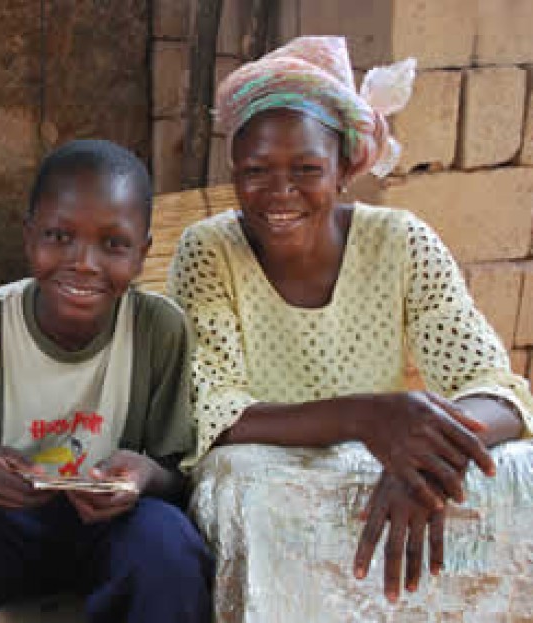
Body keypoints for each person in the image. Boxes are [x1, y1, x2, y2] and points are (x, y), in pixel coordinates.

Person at [169, 37, 533, 621]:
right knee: (239, 481)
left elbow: (500, 391)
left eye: (307, 169)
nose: (279, 192)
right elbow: (214, 415)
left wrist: (426, 459)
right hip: (277, 477)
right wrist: (370, 416)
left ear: (344, 169)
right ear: (234, 172)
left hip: (389, 469)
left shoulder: (401, 240)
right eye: (255, 171)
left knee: (517, 473)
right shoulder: (210, 250)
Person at [0, 139, 213, 622]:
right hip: (4, 528)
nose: (84, 262)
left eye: (113, 244)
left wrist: (143, 477)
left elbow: (176, 478)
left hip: (113, 530)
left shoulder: (160, 328)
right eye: (59, 236)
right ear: (28, 237)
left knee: (170, 550)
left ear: (142, 254)